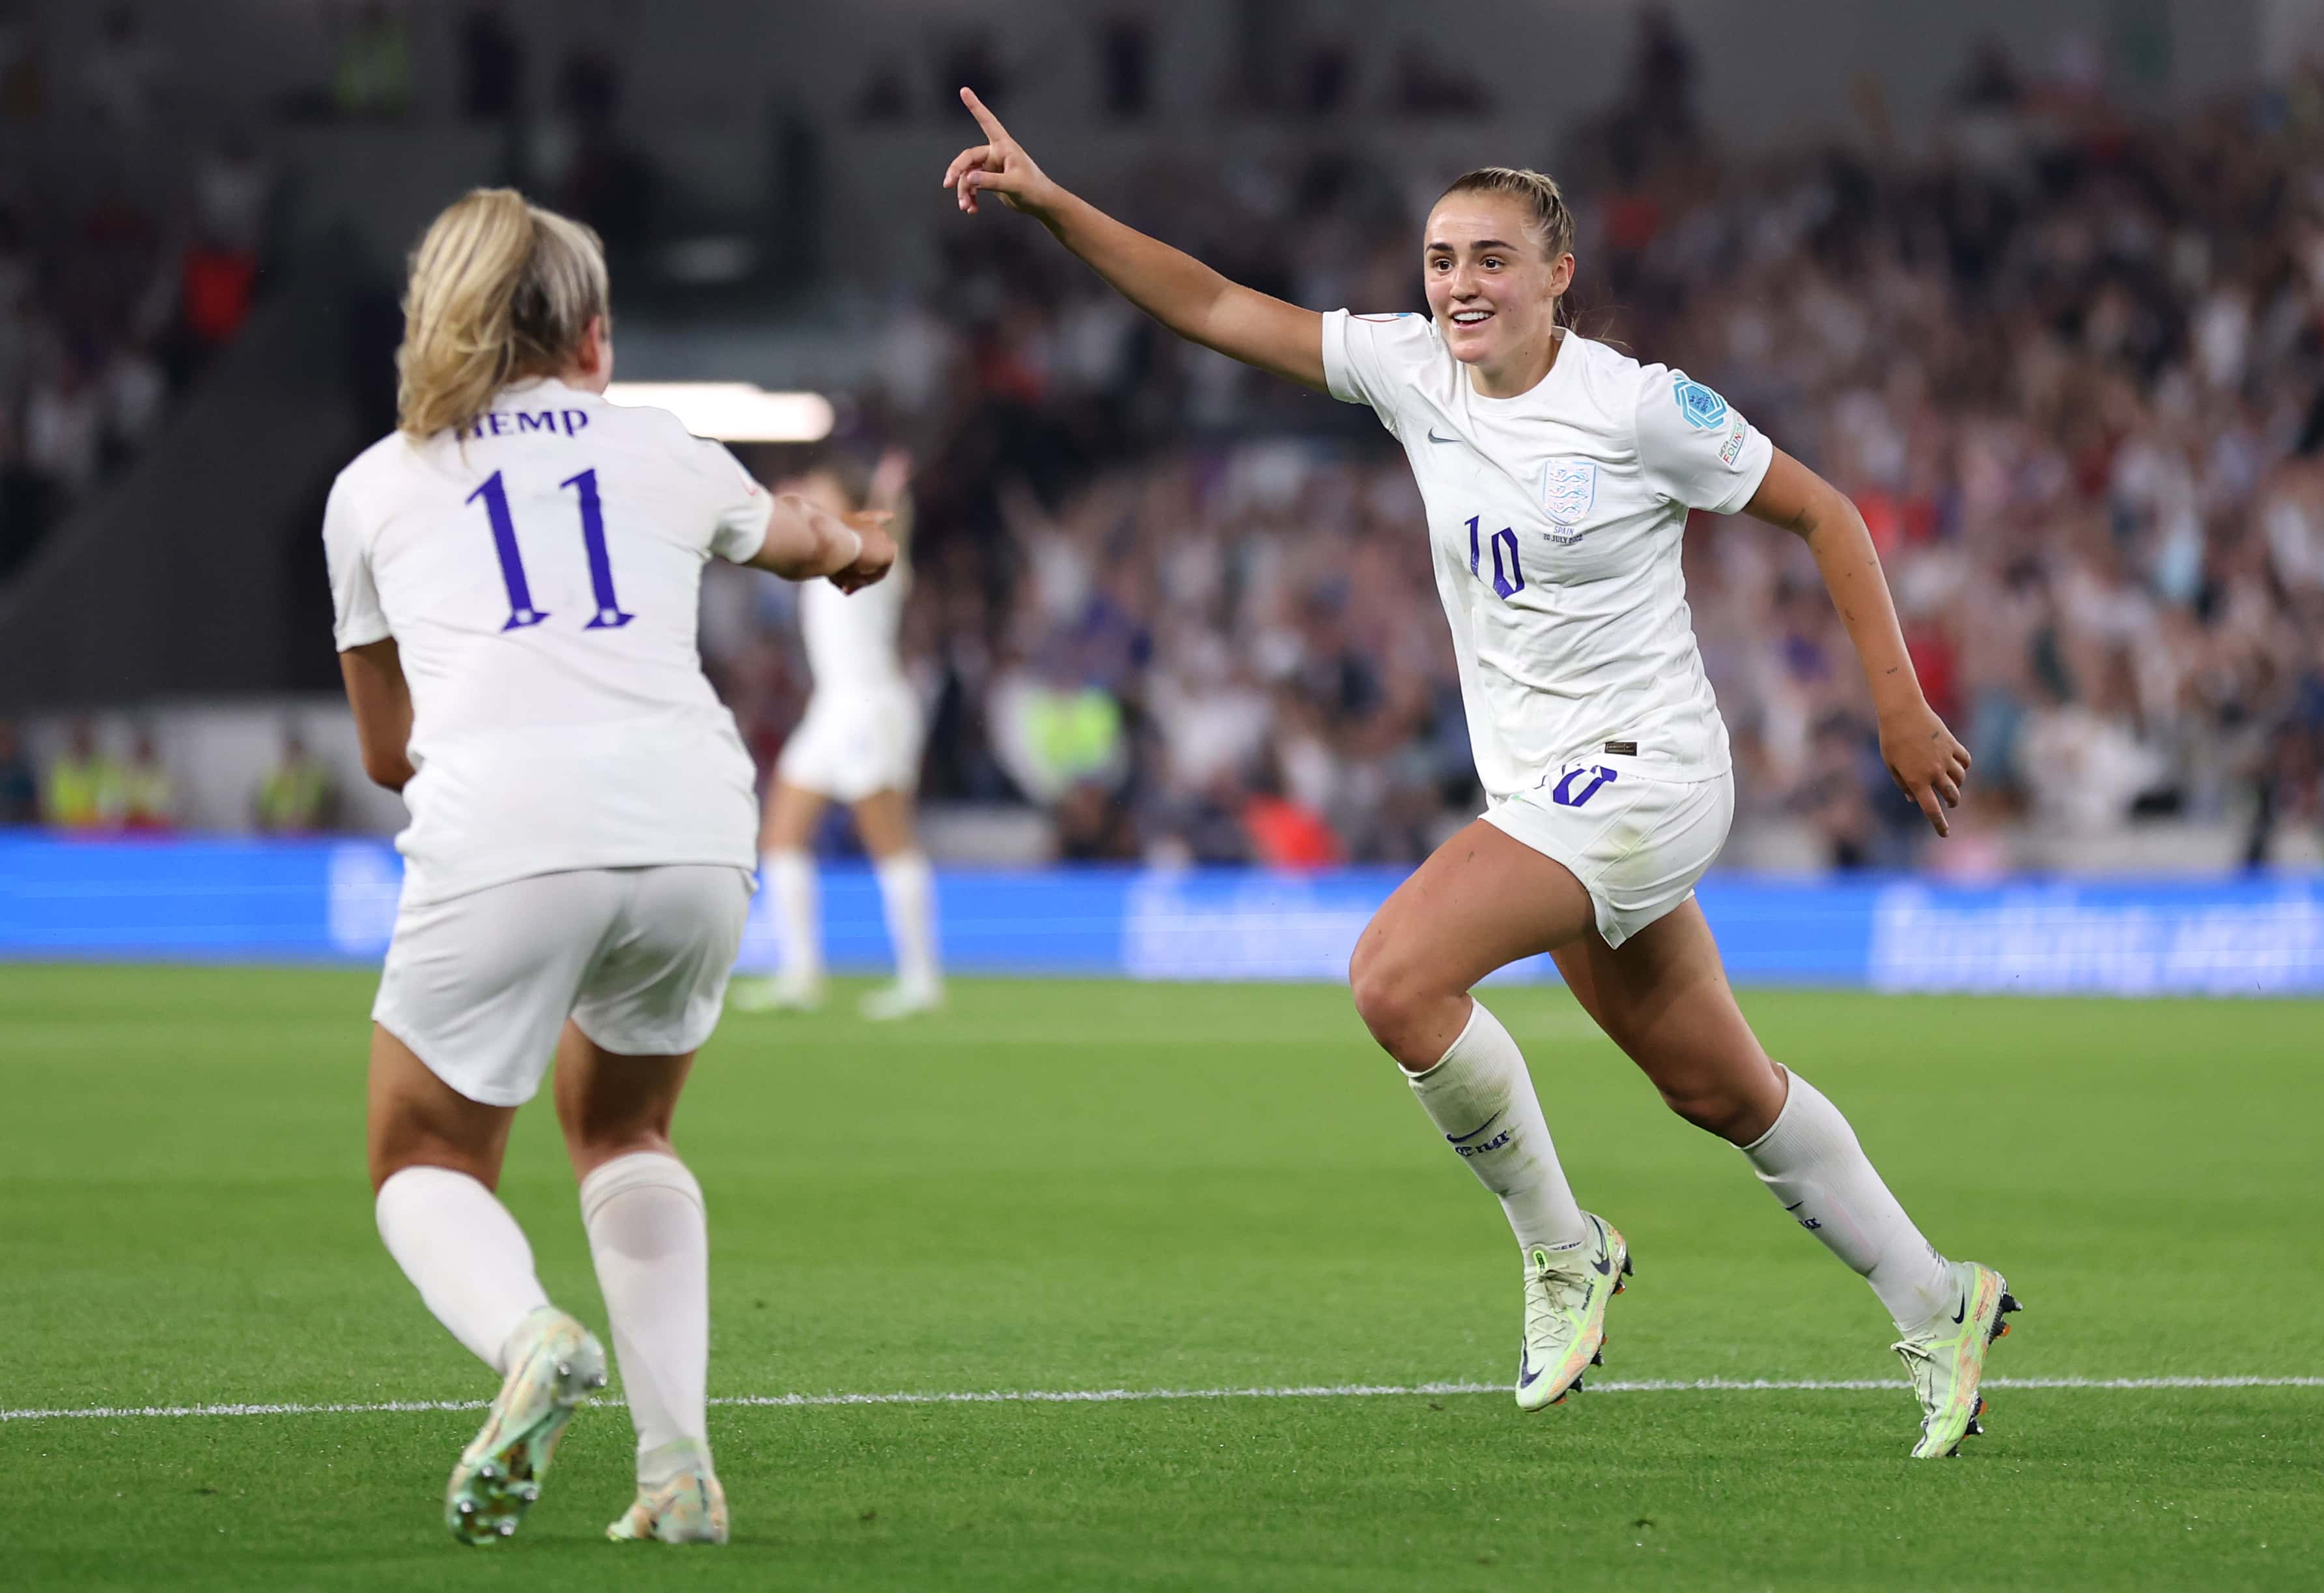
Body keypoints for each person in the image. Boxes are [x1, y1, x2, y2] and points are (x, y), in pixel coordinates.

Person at [942, 91, 2017, 1458]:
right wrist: (1052, 204)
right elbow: (1213, 305)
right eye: (1443, 259)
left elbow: (1821, 508)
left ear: (1555, 276)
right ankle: (1939, 1298)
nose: (1460, 284)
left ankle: (1562, 1248)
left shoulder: (1633, 406)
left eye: (1492, 259)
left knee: (1394, 974)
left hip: (1645, 773)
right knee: (1718, 1088)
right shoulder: (1408, 370)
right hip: (1540, 793)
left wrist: (1897, 707)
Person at [326, 188, 893, 1545]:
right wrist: (858, 545)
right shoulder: (665, 448)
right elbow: (813, 538)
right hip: (695, 818)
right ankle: (678, 1471)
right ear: (588, 336)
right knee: (625, 1128)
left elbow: (388, 754)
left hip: (507, 827)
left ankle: (530, 1334)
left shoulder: (371, 488)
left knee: (423, 1148)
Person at [729, 448, 944, 1021]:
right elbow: (778, 507)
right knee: (779, 838)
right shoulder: (815, 551)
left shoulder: (867, 551)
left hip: (870, 709)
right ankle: (800, 974)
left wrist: (889, 496)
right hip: (831, 711)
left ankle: (922, 980)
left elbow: (894, 526)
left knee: (889, 840)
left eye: (825, 491)